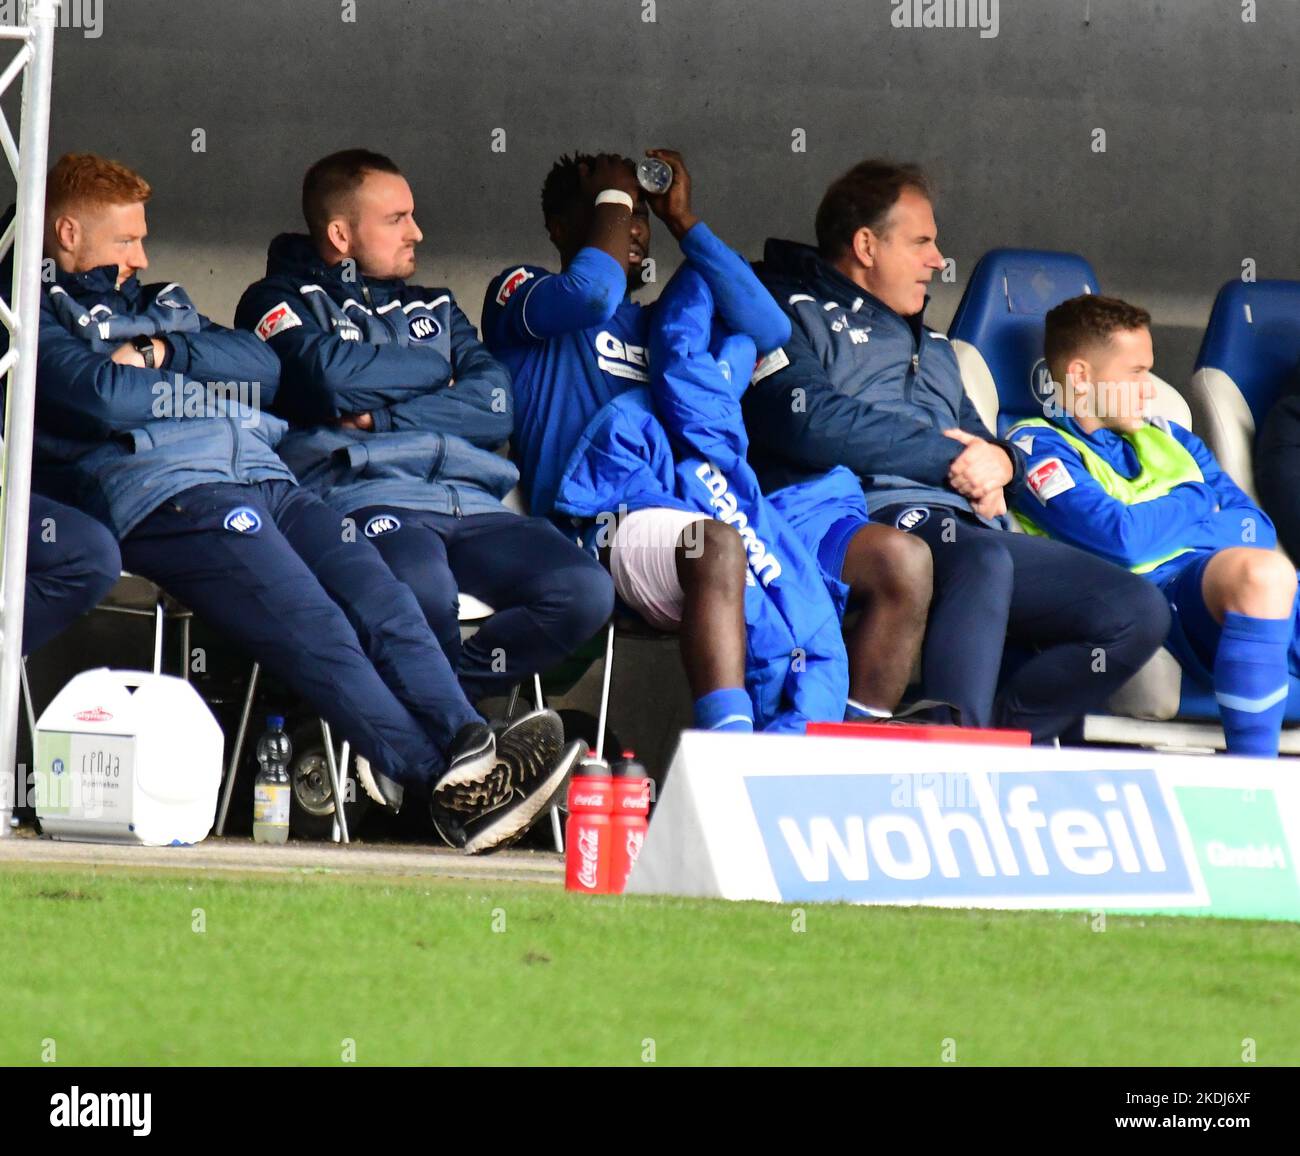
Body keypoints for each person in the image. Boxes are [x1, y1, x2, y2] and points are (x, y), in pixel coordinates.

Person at [32, 152, 570, 853]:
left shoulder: (160, 303)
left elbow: (261, 367)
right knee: (314, 625)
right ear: (67, 233)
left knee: (382, 597)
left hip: (266, 473)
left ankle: (471, 740)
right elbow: (100, 396)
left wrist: (163, 358)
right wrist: (190, 380)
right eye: (126, 240)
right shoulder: (35, 310)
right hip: (170, 496)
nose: (142, 254)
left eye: (142, 237)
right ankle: (441, 786)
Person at [482, 150, 931, 729]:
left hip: (696, 508)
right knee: (716, 545)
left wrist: (684, 223)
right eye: (616, 214)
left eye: (641, 216)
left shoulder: (658, 327)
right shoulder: (525, 299)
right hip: (600, 526)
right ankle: (729, 749)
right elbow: (593, 291)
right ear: (562, 228)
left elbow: (770, 329)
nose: (632, 228)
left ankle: (829, 745)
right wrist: (614, 191)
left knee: (849, 577)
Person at [235, 149, 605, 836]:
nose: (418, 233)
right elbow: (327, 383)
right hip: (365, 495)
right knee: (423, 595)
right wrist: (436, 376)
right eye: (397, 218)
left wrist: (384, 413)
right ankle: (442, 780)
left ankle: (448, 726)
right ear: (342, 235)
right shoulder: (276, 300)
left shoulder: (437, 305)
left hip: (472, 498)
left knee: (585, 591)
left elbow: (496, 404)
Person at [744, 159, 1171, 740]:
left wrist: (1005, 461)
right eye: (921, 241)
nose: (938, 260)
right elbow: (807, 422)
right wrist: (947, 458)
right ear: (867, 244)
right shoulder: (785, 308)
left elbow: (981, 442)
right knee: (982, 560)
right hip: (856, 517)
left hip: (965, 530)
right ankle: (957, 752)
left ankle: (984, 735)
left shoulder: (938, 346)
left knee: (1136, 610)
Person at [1008, 293, 1299, 757]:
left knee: (1267, 572)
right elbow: (1122, 541)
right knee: (1263, 574)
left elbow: (1254, 528)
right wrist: (1198, 500)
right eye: (1137, 373)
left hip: (1222, 587)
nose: (1150, 390)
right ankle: (1255, 779)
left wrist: (1164, 520)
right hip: (1150, 602)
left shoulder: (1171, 436)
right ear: (1081, 376)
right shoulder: (1036, 446)